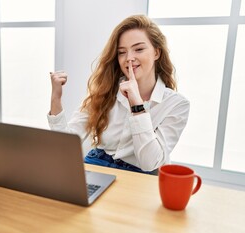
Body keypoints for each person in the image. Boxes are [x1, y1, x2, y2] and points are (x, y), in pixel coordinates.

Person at [47, 15, 190, 175]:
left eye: (139, 49)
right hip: (98, 163)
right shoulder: (105, 90)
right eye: (122, 52)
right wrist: (56, 99)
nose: (129, 58)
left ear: (156, 52)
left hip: (139, 174)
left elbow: (150, 162)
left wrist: (137, 105)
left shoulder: (177, 104)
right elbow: (64, 145)